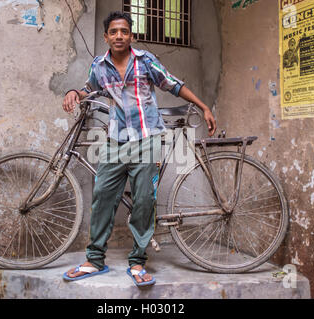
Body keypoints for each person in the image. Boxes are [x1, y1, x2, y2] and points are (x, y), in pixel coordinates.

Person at [62, 11, 216, 287]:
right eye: (113, 32)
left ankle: (137, 261)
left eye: (124, 31)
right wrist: (74, 93)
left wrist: (204, 107)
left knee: (144, 201)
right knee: (102, 198)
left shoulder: (145, 62)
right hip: (114, 142)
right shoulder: (99, 66)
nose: (119, 36)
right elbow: (89, 89)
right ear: (105, 36)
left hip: (147, 140)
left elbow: (174, 84)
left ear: (131, 35)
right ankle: (94, 260)